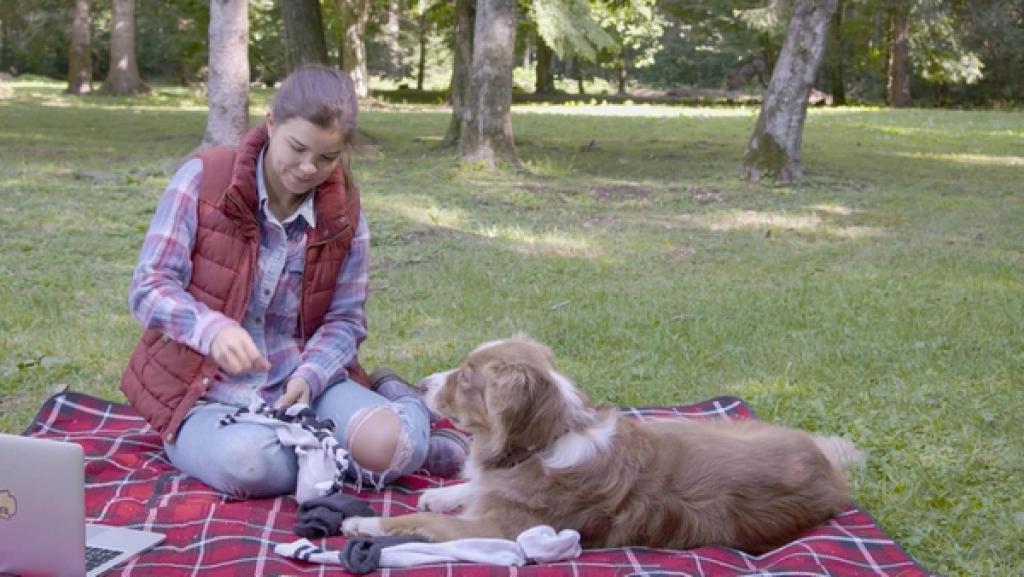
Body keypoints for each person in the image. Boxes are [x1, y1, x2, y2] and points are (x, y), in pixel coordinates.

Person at [120, 65, 466, 498]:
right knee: (250, 464)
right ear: (270, 124)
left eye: (327, 158)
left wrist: (311, 376)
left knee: (392, 448)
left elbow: (346, 320)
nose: (308, 168)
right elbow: (149, 287)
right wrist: (211, 329)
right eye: (297, 148)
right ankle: (349, 452)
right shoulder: (203, 179)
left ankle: (401, 415)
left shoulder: (344, 213)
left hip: (305, 390)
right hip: (205, 397)